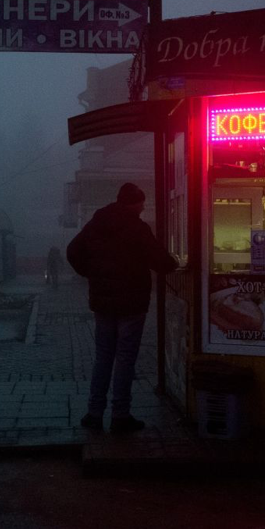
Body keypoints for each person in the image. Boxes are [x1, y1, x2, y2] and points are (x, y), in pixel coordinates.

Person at [67, 182, 177, 433]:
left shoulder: (96, 224)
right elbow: (160, 259)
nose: (143, 207)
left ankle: (94, 413)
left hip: (103, 304)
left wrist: (92, 274)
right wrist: (173, 264)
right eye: (141, 203)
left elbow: (73, 251)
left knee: (103, 357)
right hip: (132, 303)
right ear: (134, 203)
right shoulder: (137, 228)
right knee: (125, 359)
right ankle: (120, 415)